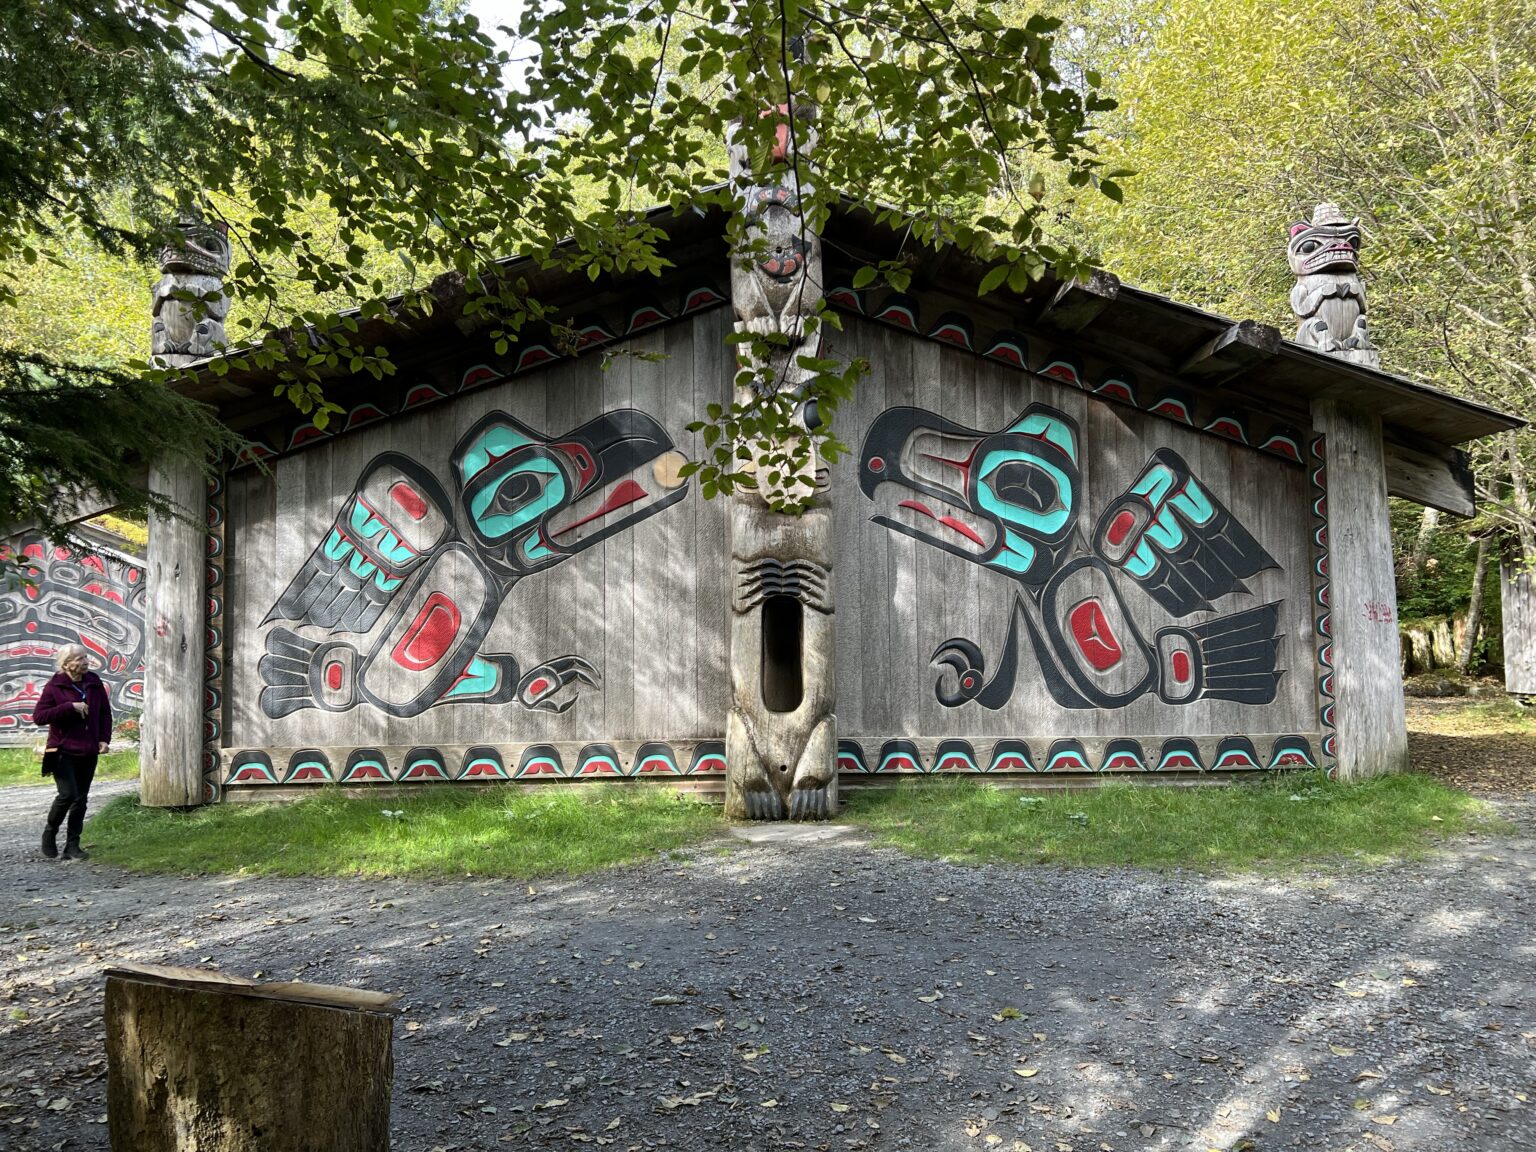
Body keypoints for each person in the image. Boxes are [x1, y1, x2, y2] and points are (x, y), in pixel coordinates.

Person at [33, 644, 112, 860]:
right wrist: (70, 707)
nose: (86, 661)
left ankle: (73, 845)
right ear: (66, 664)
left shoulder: (94, 682)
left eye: (86, 657)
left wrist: (104, 739)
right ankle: (50, 833)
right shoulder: (55, 686)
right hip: (62, 750)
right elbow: (39, 717)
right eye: (80, 658)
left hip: (89, 749)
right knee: (68, 794)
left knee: (81, 799)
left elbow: (105, 713)